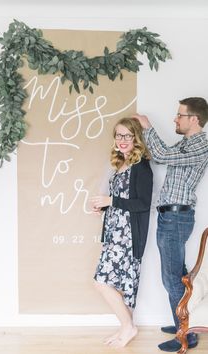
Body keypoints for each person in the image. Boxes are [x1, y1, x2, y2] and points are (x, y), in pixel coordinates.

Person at [133, 97, 208, 352]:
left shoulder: (200, 144)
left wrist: (147, 126)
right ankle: (185, 322)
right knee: (178, 275)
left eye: (180, 115)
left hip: (176, 218)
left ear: (194, 120)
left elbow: (163, 155)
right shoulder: (187, 144)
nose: (175, 119)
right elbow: (160, 156)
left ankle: (185, 334)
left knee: (171, 278)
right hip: (172, 217)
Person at [91, 117, 153, 348]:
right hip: (114, 234)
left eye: (128, 135)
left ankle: (129, 327)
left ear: (136, 137)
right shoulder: (120, 165)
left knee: (102, 282)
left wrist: (111, 200)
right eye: (119, 135)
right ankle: (125, 327)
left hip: (127, 237)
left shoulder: (142, 166)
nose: (123, 140)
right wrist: (103, 206)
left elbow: (142, 203)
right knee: (116, 284)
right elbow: (120, 201)